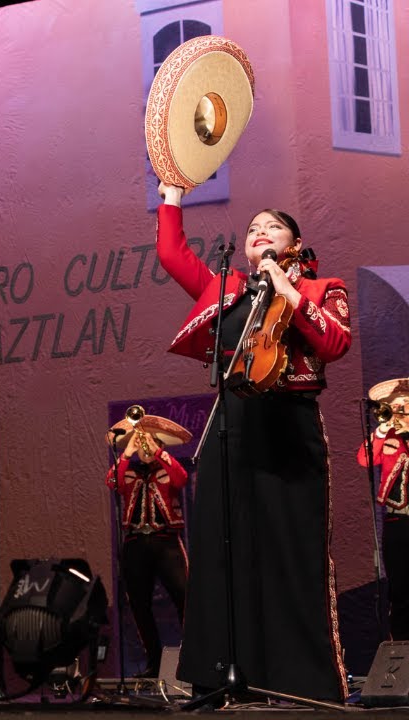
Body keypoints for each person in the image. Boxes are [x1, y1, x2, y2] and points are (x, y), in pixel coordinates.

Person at [156, 182, 352, 701]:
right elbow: (172, 254)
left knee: (292, 550)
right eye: (252, 229)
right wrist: (171, 196)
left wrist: (287, 289)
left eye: (272, 227)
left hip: (290, 424)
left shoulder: (322, 287)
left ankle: (299, 680)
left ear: (295, 241)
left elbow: (334, 343)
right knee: (225, 549)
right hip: (234, 423)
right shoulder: (227, 287)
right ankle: (222, 675)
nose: (259, 232)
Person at [104, 418, 189, 678]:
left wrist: (159, 451)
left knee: (184, 598)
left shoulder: (167, 467)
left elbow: (181, 478)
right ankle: (153, 662)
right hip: (135, 544)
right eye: (141, 443)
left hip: (166, 543)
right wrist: (127, 453)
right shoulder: (128, 471)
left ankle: (191, 659)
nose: (144, 447)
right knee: (139, 604)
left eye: (149, 443)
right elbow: (112, 482)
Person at [358, 377, 408, 640]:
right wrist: (382, 429)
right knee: (400, 591)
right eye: (395, 406)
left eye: (403, 406)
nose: (399, 410)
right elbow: (364, 459)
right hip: (398, 523)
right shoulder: (388, 437)